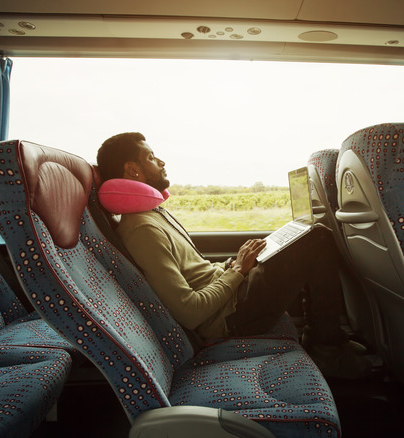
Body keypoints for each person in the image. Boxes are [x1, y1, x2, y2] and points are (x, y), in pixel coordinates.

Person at [96, 132, 370, 378]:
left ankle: (323, 338)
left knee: (297, 238)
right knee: (317, 239)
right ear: (133, 170)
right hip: (229, 316)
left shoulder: (153, 214)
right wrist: (238, 270)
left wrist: (232, 265)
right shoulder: (142, 231)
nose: (162, 162)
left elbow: (197, 274)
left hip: (230, 294)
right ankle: (328, 350)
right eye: (151, 157)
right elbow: (190, 313)